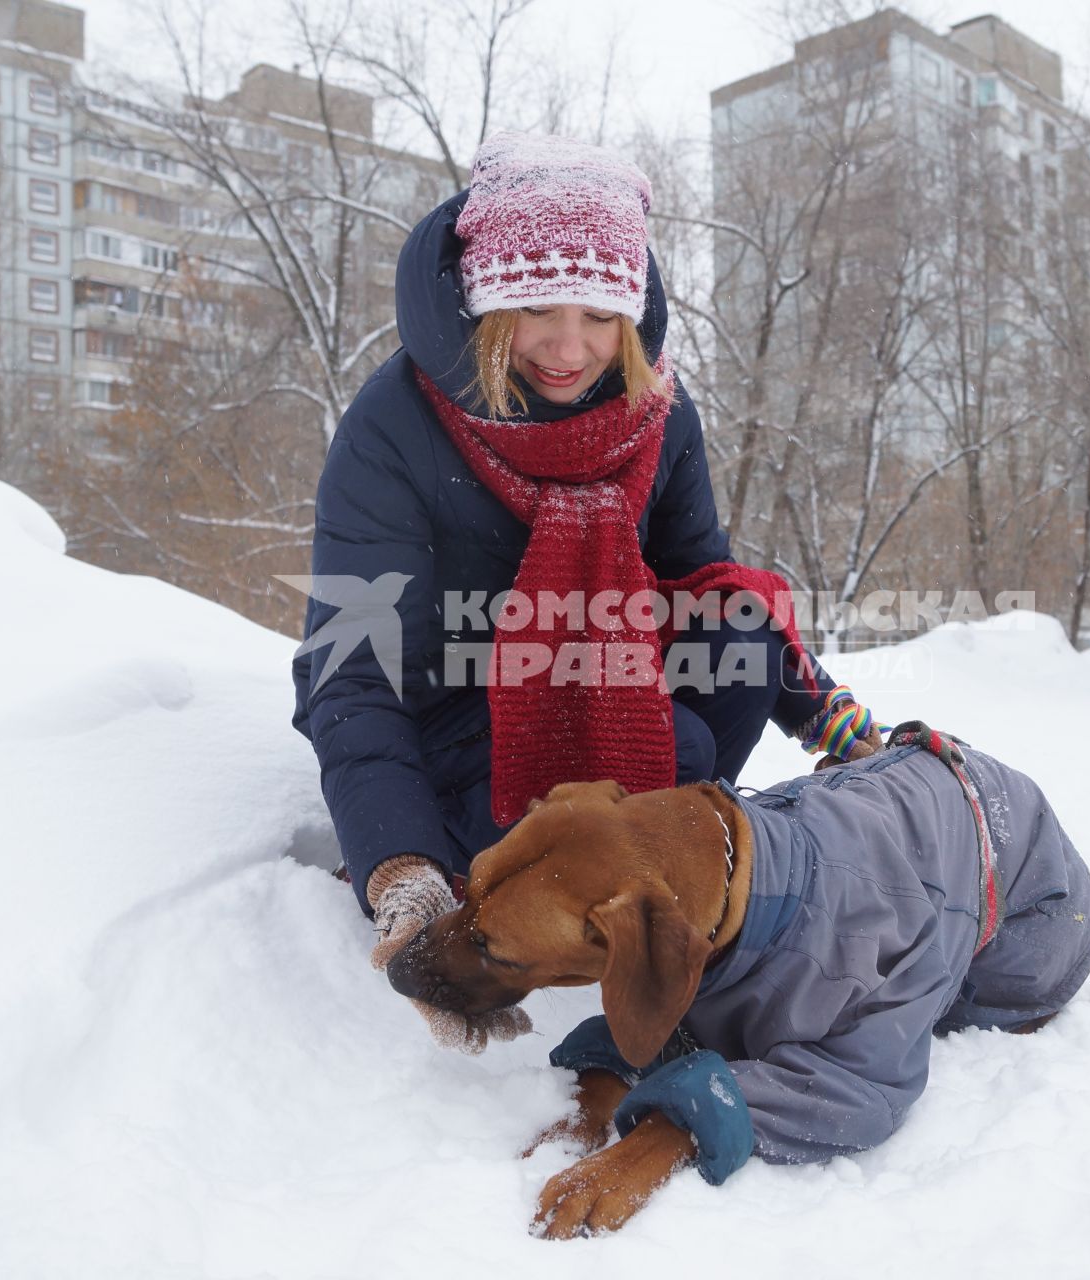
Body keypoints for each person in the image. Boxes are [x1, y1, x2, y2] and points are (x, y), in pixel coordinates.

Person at [290, 132, 883, 1051]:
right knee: (674, 746)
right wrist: (401, 868)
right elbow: (349, 672)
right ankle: (518, 881)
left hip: (607, 672)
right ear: (487, 303)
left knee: (730, 639)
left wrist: (826, 715)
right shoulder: (393, 430)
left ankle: (658, 894)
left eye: (602, 315)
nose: (572, 348)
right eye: (537, 309)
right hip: (456, 711)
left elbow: (705, 584)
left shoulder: (653, 410)